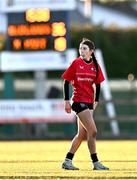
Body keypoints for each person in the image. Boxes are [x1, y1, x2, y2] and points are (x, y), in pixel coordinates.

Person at [61, 38, 109, 170]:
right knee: (93, 131)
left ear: (91, 51)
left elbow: (98, 84)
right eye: (80, 48)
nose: (81, 51)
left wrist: (96, 101)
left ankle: (67, 161)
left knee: (82, 135)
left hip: (89, 103)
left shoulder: (95, 66)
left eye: (84, 49)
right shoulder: (76, 63)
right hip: (78, 102)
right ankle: (96, 163)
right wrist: (66, 101)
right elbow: (66, 81)